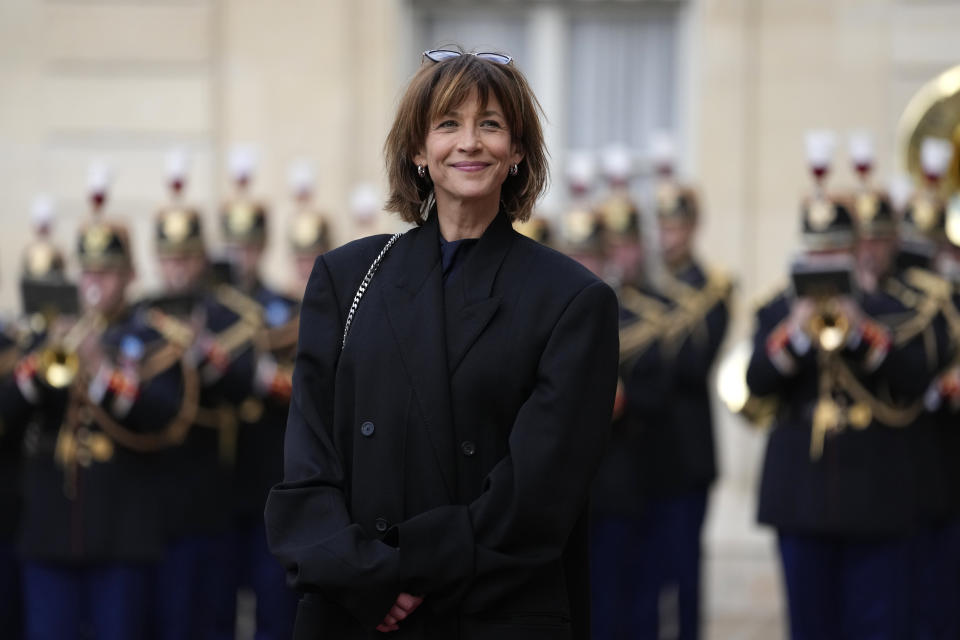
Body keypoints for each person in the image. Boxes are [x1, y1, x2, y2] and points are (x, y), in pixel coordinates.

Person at [264, 47, 620, 640]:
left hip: (487, 614)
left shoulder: (573, 300)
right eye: (448, 124)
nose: (470, 142)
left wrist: (406, 570)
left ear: (519, 153)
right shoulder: (345, 277)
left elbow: (535, 497)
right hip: (353, 614)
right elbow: (307, 464)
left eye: (491, 125)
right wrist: (360, 577)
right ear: (417, 151)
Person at [746, 133, 944, 639]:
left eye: (835, 255)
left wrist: (861, 332)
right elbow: (757, 382)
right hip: (802, 501)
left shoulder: (894, 311)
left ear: (856, 255)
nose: (824, 271)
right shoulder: (777, 311)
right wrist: (795, 332)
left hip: (877, 502)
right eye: (815, 257)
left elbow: (913, 380)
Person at [1, 164, 196, 640]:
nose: (94, 285)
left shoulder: (151, 338)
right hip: (48, 532)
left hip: (122, 534)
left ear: (129, 275)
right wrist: (45, 367)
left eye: (106, 273)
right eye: (87, 272)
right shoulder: (40, 334)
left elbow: (164, 417)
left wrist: (103, 374)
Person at [145, 149, 258, 640]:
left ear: (201, 258)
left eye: (185, 258)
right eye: (168, 259)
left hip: (214, 495)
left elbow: (247, 387)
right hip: (152, 499)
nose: (176, 270)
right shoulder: (140, 315)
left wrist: (207, 353)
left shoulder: (225, 316)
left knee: (212, 621)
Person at [214, 146, 299, 640]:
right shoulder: (209, 309)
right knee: (216, 611)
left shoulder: (283, 307)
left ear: (262, 246)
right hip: (218, 484)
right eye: (232, 244)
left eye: (248, 245)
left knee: (272, 611)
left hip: (268, 477)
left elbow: (290, 381)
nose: (239, 254)